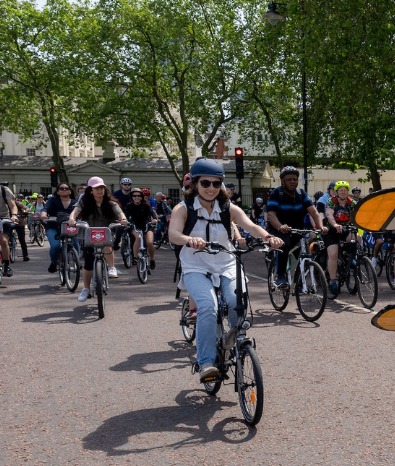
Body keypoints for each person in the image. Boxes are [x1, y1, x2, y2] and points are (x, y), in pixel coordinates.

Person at [169, 159, 283, 383]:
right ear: (195, 183)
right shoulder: (183, 208)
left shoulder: (227, 207)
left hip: (226, 263)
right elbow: (173, 234)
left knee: (236, 301)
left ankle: (236, 343)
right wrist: (189, 239)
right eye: (206, 183)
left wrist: (268, 237)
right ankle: (207, 362)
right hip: (195, 267)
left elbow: (249, 225)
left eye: (216, 183)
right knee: (208, 308)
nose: (211, 188)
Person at [67, 177, 128, 302]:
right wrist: (72, 219)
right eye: (96, 188)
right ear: (91, 190)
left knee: (106, 244)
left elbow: (120, 213)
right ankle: (85, 289)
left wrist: (123, 219)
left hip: (106, 231)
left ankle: (111, 267)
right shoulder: (84, 201)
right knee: (88, 263)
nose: (100, 191)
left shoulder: (111, 202)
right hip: (89, 233)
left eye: (101, 188)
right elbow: (75, 211)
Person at [264, 166, 323, 289]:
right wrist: (280, 227)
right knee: (284, 245)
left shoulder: (301, 194)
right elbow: (271, 214)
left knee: (305, 253)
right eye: (289, 179)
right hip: (279, 229)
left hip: (297, 229)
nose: (293, 182)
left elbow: (314, 212)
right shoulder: (277, 193)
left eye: (295, 179)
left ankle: (299, 282)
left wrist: (321, 227)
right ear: (283, 181)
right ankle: (280, 275)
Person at [318, 181, 357, 296]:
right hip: (331, 230)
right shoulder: (332, 201)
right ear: (336, 192)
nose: (343, 192)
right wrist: (335, 224)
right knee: (333, 254)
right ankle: (333, 281)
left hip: (345, 228)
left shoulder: (352, 202)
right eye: (341, 190)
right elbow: (329, 215)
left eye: (345, 190)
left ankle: (350, 257)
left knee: (357, 238)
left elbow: (357, 215)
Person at [40, 181, 79, 272]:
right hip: (53, 227)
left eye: (66, 188)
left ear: (70, 191)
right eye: (61, 188)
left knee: (76, 245)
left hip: (69, 227)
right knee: (55, 246)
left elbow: (81, 212)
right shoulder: (52, 201)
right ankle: (53, 263)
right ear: (58, 192)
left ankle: (76, 261)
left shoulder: (75, 202)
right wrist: (43, 215)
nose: (64, 190)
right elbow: (45, 209)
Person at [122, 188, 157, 270]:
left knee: (150, 242)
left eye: (138, 196)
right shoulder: (129, 206)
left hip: (147, 225)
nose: (136, 197)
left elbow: (152, 213)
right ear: (132, 197)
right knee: (138, 238)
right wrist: (125, 221)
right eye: (134, 196)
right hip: (135, 226)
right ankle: (135, 258)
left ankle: (152, 260)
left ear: (141, 197)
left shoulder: (146, 205)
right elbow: (125, 216)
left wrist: (154, 219)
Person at [111, 178, 134, 253]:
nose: (127, 186)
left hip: (130, 213)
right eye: (125, 184)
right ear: (121, 185)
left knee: (132, 233)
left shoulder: (133, 194)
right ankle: (116, 243)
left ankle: (133, 250)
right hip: (119, 213)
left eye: (128, 184)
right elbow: (112, 204)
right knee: (119, 231)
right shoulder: (116, 194)